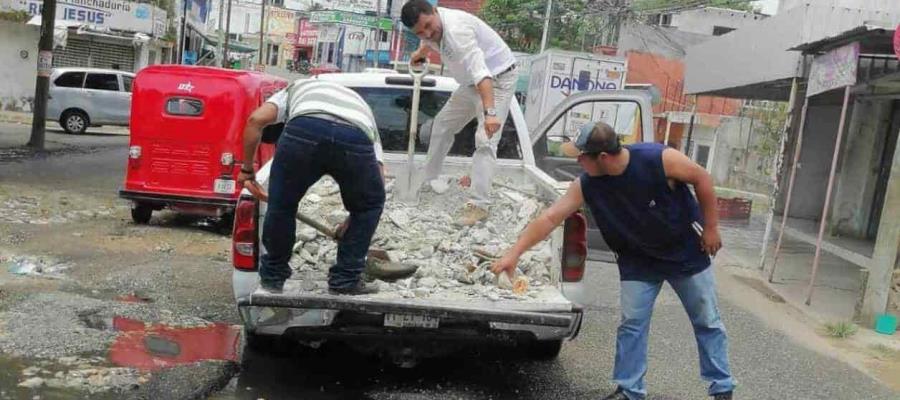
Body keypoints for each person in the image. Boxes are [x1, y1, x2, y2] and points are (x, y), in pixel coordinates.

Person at [491, 122, 735, 400]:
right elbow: (550, 218)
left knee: (706, 320)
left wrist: (712, 227)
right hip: (638, 262)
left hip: (685, 254)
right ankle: (630, 391)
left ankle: (722, 388)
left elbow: (702, 178)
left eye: (581, 156)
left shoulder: (659, 159)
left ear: (603, 158)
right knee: (632, 324)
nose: (578, 161)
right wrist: (514, 253)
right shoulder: (586, 185)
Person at [238, 79, 386, 295]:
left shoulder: (292, 89)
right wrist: (355, 218)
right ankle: (345, 279)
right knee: (370, 205)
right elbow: (377, 171)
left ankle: (273, 278)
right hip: (354, 136)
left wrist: (247, 170)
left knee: (281, 207)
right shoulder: (360, 108)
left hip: (303, 133)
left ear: (281, 126)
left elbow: (255, 120)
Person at [401, 0, 518, 225]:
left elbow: (482, 74)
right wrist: (419, 52)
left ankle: (479, 206)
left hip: (497, 80)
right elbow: (429, 41)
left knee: (485, 139)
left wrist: (490, 113)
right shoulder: (430, 31)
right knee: (441, 125)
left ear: (435, 11)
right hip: (470, 85)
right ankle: (428, 180)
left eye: (428, 25)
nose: (427, 32)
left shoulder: (457, 32)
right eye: (420, 32)